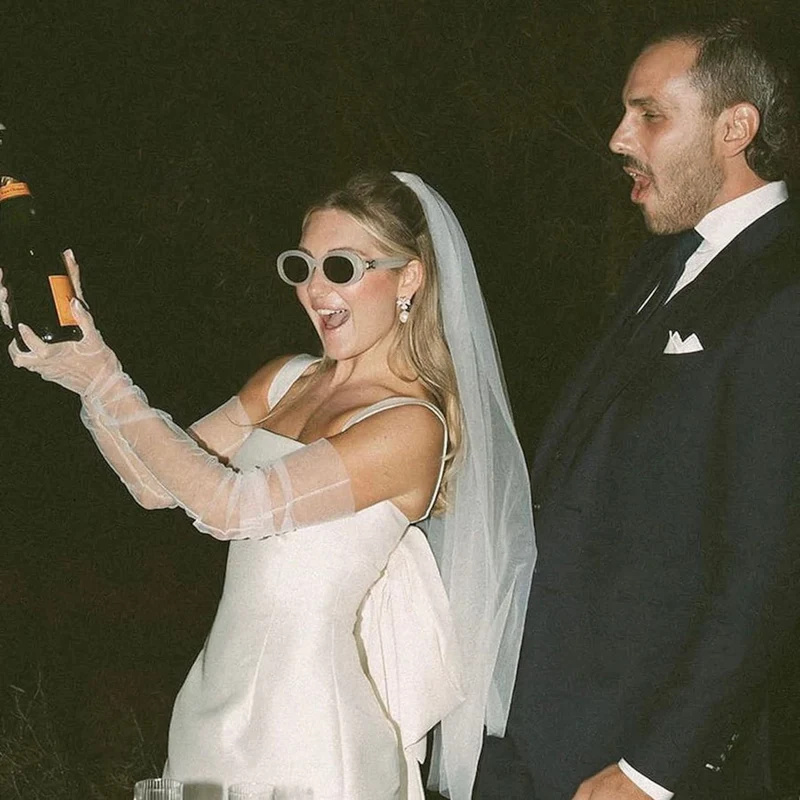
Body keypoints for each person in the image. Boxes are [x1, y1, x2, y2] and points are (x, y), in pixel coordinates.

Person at [1, 171, 536, 799]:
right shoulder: (287, 380)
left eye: (341, 267)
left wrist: (105, 378)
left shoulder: (411, 425)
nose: (315, 289)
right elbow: (155, 483)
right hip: (210, 707)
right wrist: (79, 375)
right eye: (302, 266)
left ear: (409, 278)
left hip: (308, 728)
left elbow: (231, 508)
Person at [476, 17, 800, 800]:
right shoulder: (661, 262)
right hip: (532, 725)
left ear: (735, 128)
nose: (619, 138)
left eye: (649, 115)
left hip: (632, 757)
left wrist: (656, 768)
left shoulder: (785, 286)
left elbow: (769, 569)